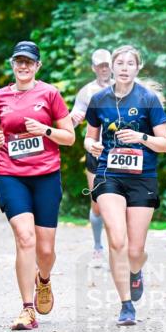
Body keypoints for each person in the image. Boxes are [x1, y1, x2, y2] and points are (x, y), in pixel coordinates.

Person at [0, 41, 75, 331]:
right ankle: (27, 309)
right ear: (12, 64)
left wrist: (45, 130)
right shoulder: (0, 96)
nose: (23, 67)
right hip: (11, 174)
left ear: (38, 66)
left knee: (46, 250)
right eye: (18, 61)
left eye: (29, 62)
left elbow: (70, 137)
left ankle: (44, 280)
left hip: (46, 176)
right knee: (25, 238)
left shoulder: (49, 94)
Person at [84, 45, 166, 326]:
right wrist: (93, 146)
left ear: (138, 67)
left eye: (129, 63)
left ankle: (136, 271)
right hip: (109, 174)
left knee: (135, 251)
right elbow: (88, 138)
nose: (123, 67)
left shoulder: (148, 99)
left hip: (142, 177)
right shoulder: (99, 99)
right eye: (119, 63)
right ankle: (125, 305)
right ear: (111, 67)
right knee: (117, 240)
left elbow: (165, 144)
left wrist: (141, 137)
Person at [69, 48, 113, 267]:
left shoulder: (124, 87)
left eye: (107, 64)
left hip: (122, 153)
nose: (104, 69)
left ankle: (119, 249)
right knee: (97, 204)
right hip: (96, 151)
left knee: (122, 203)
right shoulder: (87, 92)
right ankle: (97, 247)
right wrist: (73, 118)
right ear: (93, 68)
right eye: (100, 65)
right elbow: (71, 123)